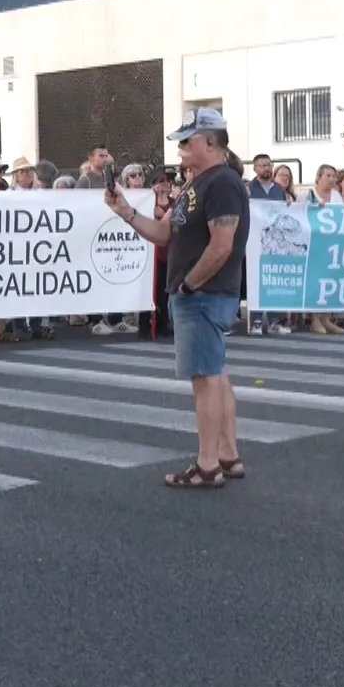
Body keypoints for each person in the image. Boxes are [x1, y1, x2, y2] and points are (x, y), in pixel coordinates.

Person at [105, 108, 249, 489]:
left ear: (211, 143)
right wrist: (125, 211)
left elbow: (222, 244)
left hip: (204, 294)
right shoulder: (195, 184)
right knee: (215, 374)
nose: (181, 147)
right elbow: (163, 233)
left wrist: (189, 285)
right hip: (203, 293)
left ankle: (208, 465)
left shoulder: (221, 182)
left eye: (187, 140)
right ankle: (226, 455)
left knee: (206, 379)